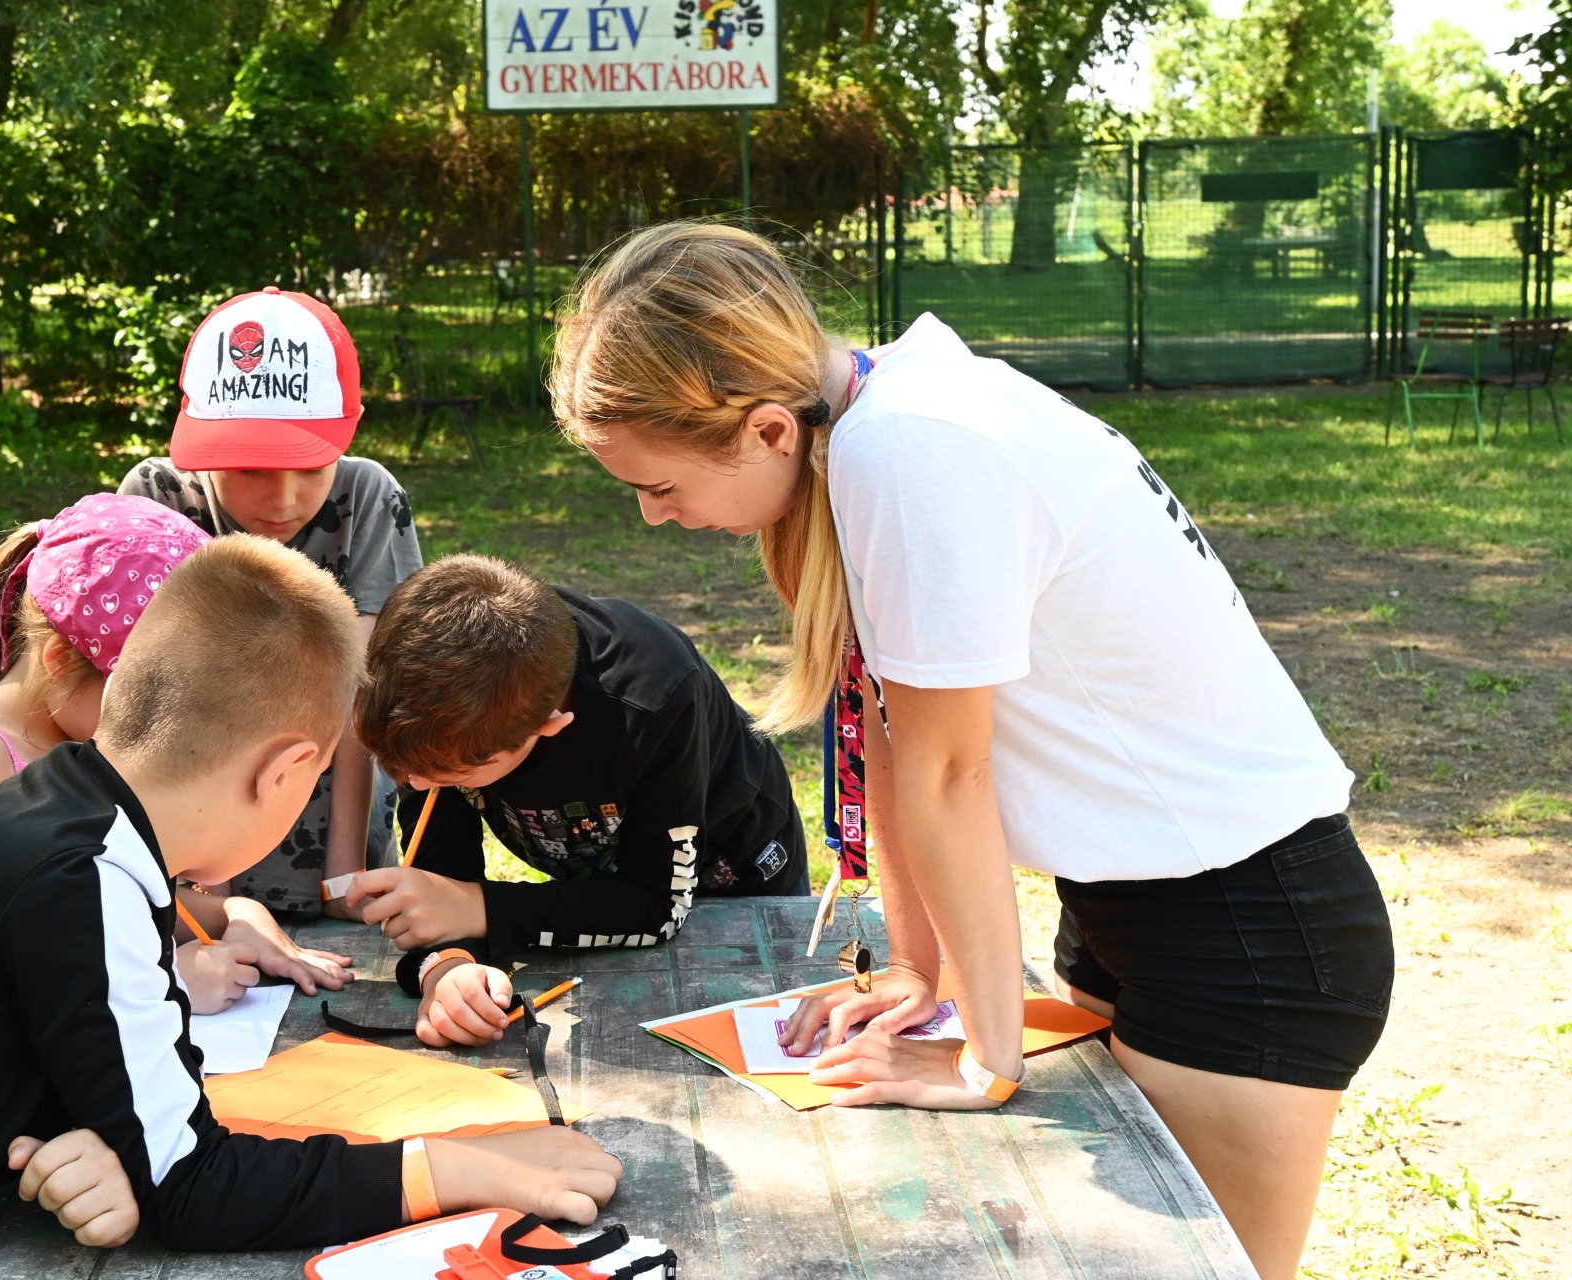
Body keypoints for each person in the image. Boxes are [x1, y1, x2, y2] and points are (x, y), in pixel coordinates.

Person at [547, 221, 1392, 1280]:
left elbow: (953, 771)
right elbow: (900, 735)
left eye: (661, 486)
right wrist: (917, 966)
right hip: (1138, 905)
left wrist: (985, 1056)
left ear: (768, 430)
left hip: (1248, 935)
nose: (654, 516)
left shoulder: (911, 447)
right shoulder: (880, 419)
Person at [0, 537, 621, 1278]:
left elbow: (123, 1096)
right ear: (288, 770)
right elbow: (195, 1190)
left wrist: (113, 1145)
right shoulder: (84, 875)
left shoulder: (69, 813)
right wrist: (460, 1167)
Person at [0, 492, 350, 1015]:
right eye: (144, 692)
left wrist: (233, 912)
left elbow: (112, 903)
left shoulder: (82, 744)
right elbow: (12, 973)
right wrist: (169, 985)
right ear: (58, 662)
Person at [347, 554, 806, 1047]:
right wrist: (448, 967)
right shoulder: (438, 703)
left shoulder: (652, 700)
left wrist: (477, 907)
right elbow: (441, 878)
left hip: (737, 874)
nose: (413, 784)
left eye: (451, 776)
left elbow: (656, 906)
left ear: (548, 727)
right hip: (599, 885)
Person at [119, 287, 423, 917]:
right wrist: (207, 890)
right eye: (251, 468)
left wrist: (344, 872)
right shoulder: (156, 498)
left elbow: (357, 692)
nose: (283, 501)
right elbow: (161, 700)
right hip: (186, 856)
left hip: (333, 841)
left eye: (312, 467)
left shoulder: (368, 497)